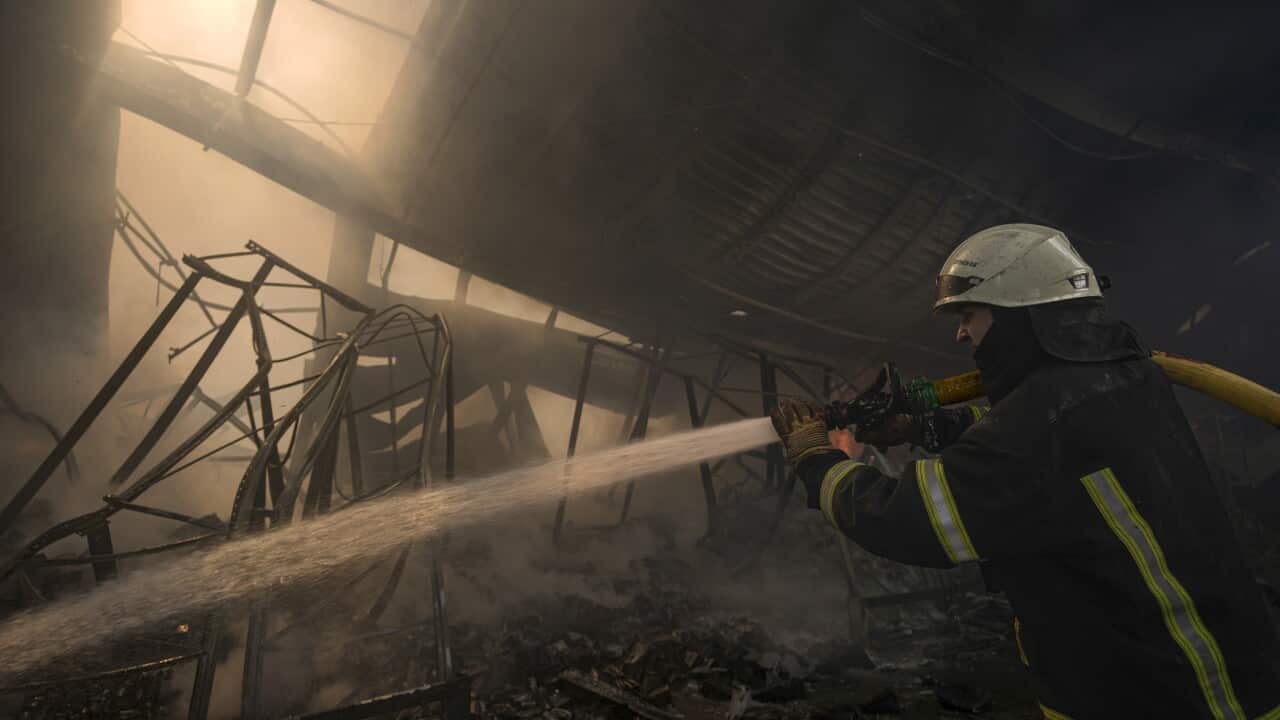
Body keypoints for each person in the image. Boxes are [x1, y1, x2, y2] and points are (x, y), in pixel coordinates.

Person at [771, 224, 1280, 719]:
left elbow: (909, 521)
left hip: (1157, 688)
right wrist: (926, 428)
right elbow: (1043, 449)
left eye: (969, 314)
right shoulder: (1122, 375)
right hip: (1217, 665)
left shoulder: (1036, 424)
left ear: (1022, 314)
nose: (960, 331)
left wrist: (815, 457)